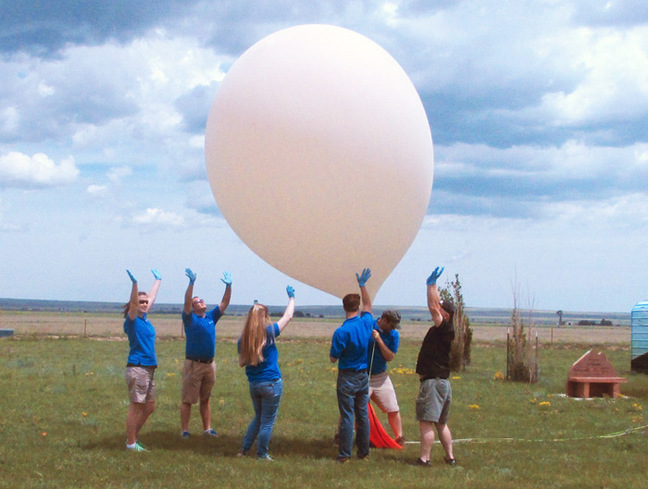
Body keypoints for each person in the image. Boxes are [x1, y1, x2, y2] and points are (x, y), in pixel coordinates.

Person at [237, 285, 295, 461]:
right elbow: (288, 316)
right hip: (271, 383)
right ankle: (261, 453)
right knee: (267, 421)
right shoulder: (269, 332)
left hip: (254, 385)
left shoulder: (242, 340)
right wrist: (291, 298)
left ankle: (244, 449)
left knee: (258, 418)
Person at [330, 268, 375, 462]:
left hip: (347, 376)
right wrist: (363, 285)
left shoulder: (341, 332)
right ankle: (363, 453)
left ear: (344, 308)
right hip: (363, 375)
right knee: (362, 415)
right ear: (357, 308)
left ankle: (344, 455)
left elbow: (333, 357)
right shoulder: (366, 323)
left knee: (347, 416)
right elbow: (369, 304)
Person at [180, 268, 231, 438]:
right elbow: (187, 302)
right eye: (198, 301)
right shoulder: (190, 318)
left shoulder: (210, 317)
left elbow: (224, 303)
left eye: (201, 300)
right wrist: (191, 284)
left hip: (209, 364)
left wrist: (229, 286)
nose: (201, 301)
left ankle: (207, 429)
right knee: (188, 400)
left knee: (206, 398)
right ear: (193, 307)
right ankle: (185, 431)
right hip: (194, 364)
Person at [415, 266, 456, 467]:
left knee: (426, 422)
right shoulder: (447, 328)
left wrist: (430, 284)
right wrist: (434, 286)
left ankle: (425, 458)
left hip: (433, 383)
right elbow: (436, 304)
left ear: (446, 315)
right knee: (441, 423)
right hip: (443, 383)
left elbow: (433, 307)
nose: (436, 310)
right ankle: (450, 457)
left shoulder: (444, 327)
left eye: (442, 310)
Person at [123, 268, 161, 452]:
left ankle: (132, 438)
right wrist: (135, 284)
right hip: (138, 368)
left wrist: (158, 280)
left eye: (146, 302)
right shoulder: (132, 320)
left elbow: (151, 297)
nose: (145, 304)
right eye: (141, 302)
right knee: (136, 407)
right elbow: (132, 303)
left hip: (149, 368)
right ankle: (131, 444)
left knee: (150, 407)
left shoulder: (144, 319)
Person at [368, 309, 404, 445]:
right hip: (362, 375)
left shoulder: (393, 335)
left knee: (393, 408)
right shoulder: (368, 325)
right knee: (352, 407)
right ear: (383, 320)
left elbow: (390, 357)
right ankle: (340, 435)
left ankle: (399, 438)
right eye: (391, 325)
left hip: (380, 377)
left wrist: (379, 340)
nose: (393, 329)